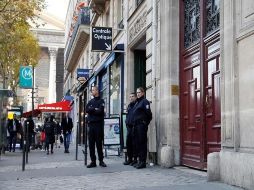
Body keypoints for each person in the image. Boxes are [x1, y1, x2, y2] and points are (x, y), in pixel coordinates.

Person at [85, 86, 107, 168]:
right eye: (92, 91)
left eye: (93, 90)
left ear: (97, 91)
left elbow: (100, 111)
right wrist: (95, 109)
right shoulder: (90, 101)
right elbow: (87, 109)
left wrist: (92, 109)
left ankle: (101, 161)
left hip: (98, 125)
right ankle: (93, 161)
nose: (92, 92)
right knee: (91, 144)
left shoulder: (101, 101)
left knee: (99, 144)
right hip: (91, 125)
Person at [132, 87, 152, 169]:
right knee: (138, 143)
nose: (138, 94)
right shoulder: (137, 103)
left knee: (142, 143)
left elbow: (149, 114)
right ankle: (140, 161)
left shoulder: (145, 101)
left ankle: (143, 162)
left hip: (141, 125)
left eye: (139, 92)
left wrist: (145, 123)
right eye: (137, 92)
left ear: (143, 93)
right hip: (136, 126)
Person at [123, 92, 137, 165]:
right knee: (128, 144)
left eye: (132, 96)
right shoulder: (129, 106)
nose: (131, 98)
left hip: (134, 127)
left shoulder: (136, 105)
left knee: (134, 144)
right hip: (129, 127)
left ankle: (135, 160)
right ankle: (130, 159)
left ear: (135, 97)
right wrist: (126, 122)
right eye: (130, 97)